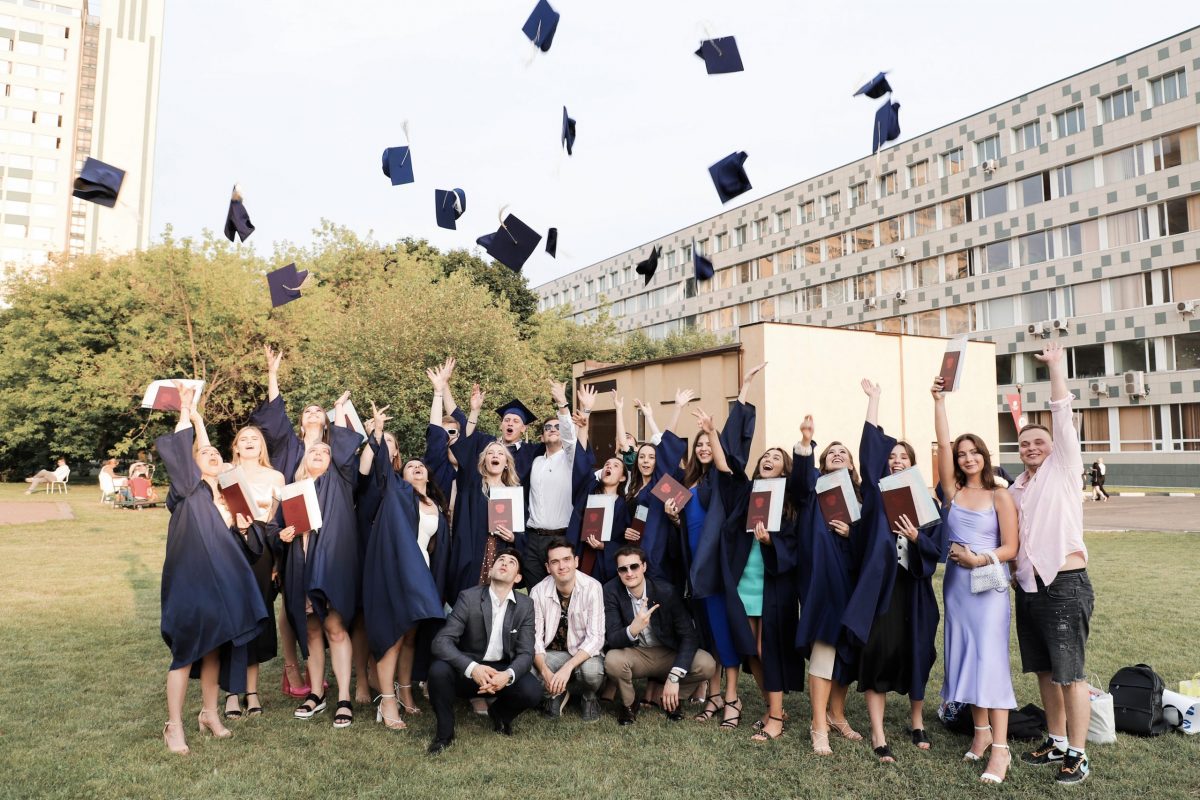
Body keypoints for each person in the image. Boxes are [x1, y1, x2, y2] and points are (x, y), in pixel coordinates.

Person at [156, 382, 270, 755]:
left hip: (226, 582)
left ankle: (209, 713)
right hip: (193, 582)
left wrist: (242, 529)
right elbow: (180, 452)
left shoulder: (230, 496)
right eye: (204, 452)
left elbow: (249, 546)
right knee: (187, 651)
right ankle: (174, 725)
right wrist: (186, 414)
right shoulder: (188, 490)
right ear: (192, 463)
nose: (213, 454)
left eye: (216, 451)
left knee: (215, 651)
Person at [843, 380, 945, 762]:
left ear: (913, 463)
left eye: (903, 456)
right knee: (877, 654)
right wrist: (874, 400)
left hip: (914, 586)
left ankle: (916, 720)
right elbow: (869, 449)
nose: (896, 460)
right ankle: (878, 731)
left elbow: (939, 548)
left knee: (918, 650)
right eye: (893, 456)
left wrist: (918, 536)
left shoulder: (925, 498)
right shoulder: (876, 491)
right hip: (881, 587)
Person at [1009, 343, 1094, 786]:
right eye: (1024, 443)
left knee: (1070, 674)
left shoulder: (1064, 466)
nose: (1031, 448)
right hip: (1028, 588)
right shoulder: (1017, 487)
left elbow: (1061, 410)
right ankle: (1057, 740)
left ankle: (1078, 754)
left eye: (1039, 441)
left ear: (1054, 446)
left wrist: (1055, 368)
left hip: (1064, 584)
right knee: (1044, 672)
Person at [663, 365, 761, 729]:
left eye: (708, 442)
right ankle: (714, 694)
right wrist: (673, 518)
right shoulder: (686, 482)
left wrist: (744, 389)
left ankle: (732, 699)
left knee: (723, 631)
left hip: (716, 567)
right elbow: (682, 522)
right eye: (700, 444)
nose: (704, 447)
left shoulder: (723, 481)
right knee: (707, 633)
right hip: (694, 568)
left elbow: (726, 462)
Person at [933, 375, 1020, 784]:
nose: (968, 458)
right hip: (957, 590)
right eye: (961, 454)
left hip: (988, 587)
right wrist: (938, 401)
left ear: (985, 456)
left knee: (990, 664)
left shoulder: (999, 495)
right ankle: (981, 733)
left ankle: (1001, 751)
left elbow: (1011, 549)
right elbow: (942, 438)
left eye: (974, 453)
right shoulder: (951, 492)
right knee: (966, 658)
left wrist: (977, 558)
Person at [358, 402, 448, 730]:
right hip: (395, 574)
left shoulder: (435, 505)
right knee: (394, 637)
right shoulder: (396, 495)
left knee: (411, 638)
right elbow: (380, 469)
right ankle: (388, 701)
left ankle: (407, 692)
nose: (415, 468)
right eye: (408, 466)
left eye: (420, 465)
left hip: (422, 575)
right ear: (401, 474)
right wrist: (378, 433)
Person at [275, 392, 362, 728]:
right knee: (310, 631)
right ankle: (316, 692)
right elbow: (284, 528)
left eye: (326, 451)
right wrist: (283, 534)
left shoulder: (340, 480)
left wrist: (338, 411)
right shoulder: (294, 489)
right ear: (304, 458)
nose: (321, 454)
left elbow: (340, 444)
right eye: (315, 451)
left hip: (332, 564)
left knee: (335, 628)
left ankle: (343, 697)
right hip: (301, 561)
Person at [249, 345, 325, 701]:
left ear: (325, 423)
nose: (311, 412)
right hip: (288, 533)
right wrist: (273, 375)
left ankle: (315, 664)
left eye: (318, 410)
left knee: (314, 602)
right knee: (288, 601)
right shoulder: (290, 448)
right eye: (307, 410)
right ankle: (292, 665)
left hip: (322, 535)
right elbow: (274, 417)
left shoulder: (329, 451)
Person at [718, 436, 804, 743]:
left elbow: (793, 543)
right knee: (750, 648)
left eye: (776, 458)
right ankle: (772, 706)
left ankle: (777, 718)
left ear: (784, 470)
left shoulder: (789, 502)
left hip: (772, 581)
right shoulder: (748, 493)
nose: (768, 459)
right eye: (765, 456)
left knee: (768, 648)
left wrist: (771, 541)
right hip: (745, 580)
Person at [793, 414, 863, 755]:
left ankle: (837, 714)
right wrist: (806, 443)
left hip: (852, 581)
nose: (837, 454)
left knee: (847, 650)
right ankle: (818, 723)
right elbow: (800, 482)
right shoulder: (814, 490)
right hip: (821, 581)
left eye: (844, 452)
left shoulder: (862, 497)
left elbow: (874, 540)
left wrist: (854, 532)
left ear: (852, 465)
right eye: (831, 452)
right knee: (824, 646)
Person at [426, 548, 542, 754]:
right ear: (490, 571)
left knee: (532, 690)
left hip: (500, 670)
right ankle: (445, 733)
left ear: (518, 577)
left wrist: (506, 676)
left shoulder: (526, 605)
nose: (504, 563)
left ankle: (499, 714)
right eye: (500, 560)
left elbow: (526, 653)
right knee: (438, 670)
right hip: (468, 669)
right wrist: (473, 668)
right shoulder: (468, 598)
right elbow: (441, 642)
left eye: (511, 562)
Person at [602, 546, 717, 725]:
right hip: (636, 653)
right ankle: (629, 704)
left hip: (667, 652)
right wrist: (633, 628)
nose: (629, 573)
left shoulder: (666, 591)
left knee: (706, 664)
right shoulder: (610, 591)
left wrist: (674, 677)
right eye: (623, 569)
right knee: (612, 660)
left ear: (644, 567)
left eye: (634, 567)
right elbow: (613, 638)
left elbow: (688, 636)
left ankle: (671, 697)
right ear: (618, 571)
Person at [222, 425, 287, 720]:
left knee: (257, 615)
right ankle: (231, 693)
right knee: (233, 617)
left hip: (262, 546)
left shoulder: (276, 477)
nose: (249, 443)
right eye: (243, 439)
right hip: (230, 543)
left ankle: (252, 691)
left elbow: (276, 520)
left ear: (262, 447)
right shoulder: (225, 474)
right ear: (236, 447)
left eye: (255, 440)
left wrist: (276, 561)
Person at [530, 538, 606, 722]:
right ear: (548, 567)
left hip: (583, 653)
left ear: (576, 562)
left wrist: (567, 668)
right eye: (555, 562)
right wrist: (547, 673)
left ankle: (589, 697)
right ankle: (557, 693)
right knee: (529, 675)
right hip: (553, 653)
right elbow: (534, 638)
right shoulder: (538, 591)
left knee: (592, 673)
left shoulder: (592, 587)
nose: (561, 566)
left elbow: (596, 638)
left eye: (566, 559)